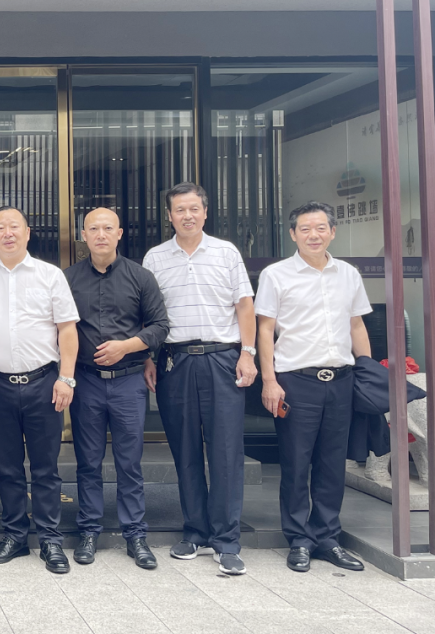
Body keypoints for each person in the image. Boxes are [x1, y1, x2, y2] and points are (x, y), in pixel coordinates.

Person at [142, 182, 257, 576]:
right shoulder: (155, 257)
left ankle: (226, 541)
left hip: (222, 359)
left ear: (205, 212)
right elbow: (150, 315)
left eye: (194, 208)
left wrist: (247, 353)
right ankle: (194, 531)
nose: (187, 216)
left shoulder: (226, 252)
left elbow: (245, 306)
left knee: (225, 451)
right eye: (180, 210)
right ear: (169, 215)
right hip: (175, 361)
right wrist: (149, 358)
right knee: (184, 449)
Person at [256, 201, 370, 573]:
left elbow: (356, 325)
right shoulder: (276, 275)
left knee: (333, 464)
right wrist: (269, 380)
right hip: (296, 382)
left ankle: (327, 538)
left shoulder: (348, 274)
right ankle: (299, 540)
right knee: (295, 463)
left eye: (320, 228)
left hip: (341, 380)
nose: (313, 235)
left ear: (332, 232)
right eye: (305, 229)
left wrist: (367, 372)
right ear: (293, 234)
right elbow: (265, 330)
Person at [0, 206, 79, 574]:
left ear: (28, 232)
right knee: (7, 467)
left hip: (43, 384)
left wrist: (66, 378)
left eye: (14, 226)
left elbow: (67, 329)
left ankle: (50, 539)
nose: (7, 233)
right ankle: (15, 536)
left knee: (46, 468)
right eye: (0, 227)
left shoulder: (50, 275)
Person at [65, 207, 169, 570]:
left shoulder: (140, 277)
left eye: (107, 228)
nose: (100, 235)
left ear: (119, 233)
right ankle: (89, 531)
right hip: (86, 382)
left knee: (129, 463)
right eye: (93, 229)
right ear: (83, 235)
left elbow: (160, 326)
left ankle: (135, 535)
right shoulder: (68, 279)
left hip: (128, 381)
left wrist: (126, 347)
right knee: (88, 462)